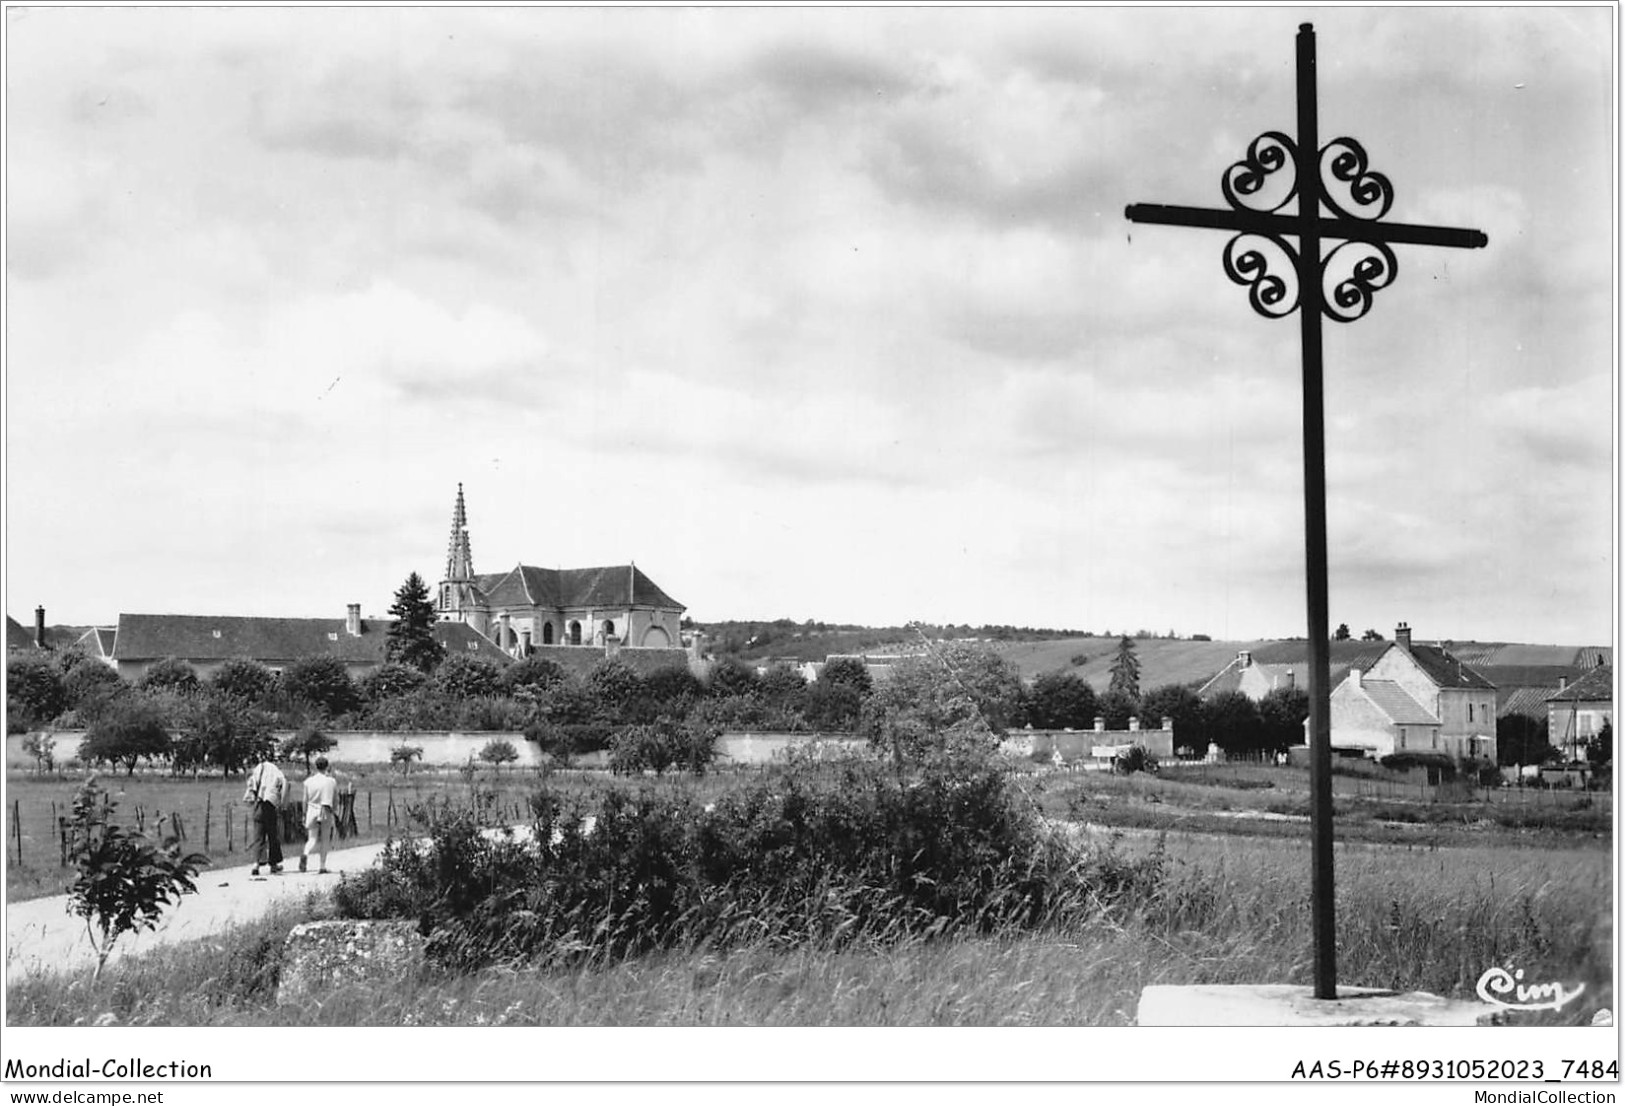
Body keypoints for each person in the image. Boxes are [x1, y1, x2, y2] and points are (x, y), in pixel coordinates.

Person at [243, 756, 287, 876]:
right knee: (272, 835)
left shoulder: (257, 771)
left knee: (258, 836)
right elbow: (284, 783)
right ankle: (273, 864)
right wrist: (282, 802)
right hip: (270, 805)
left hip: (258, 804)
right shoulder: (275, 770)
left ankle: (256, 864)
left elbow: (251, 787)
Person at [300, 755, 338, 874]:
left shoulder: (308, 781)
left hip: (312, 809)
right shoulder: (331, 781)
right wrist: (335, 811)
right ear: (327, 766)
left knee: (312, 838)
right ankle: (322, 866)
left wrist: (304, 813)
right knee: (325, 839)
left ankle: (305, 853)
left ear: (315, 767)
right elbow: (335, 798)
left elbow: (304, 800)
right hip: (325, 809)